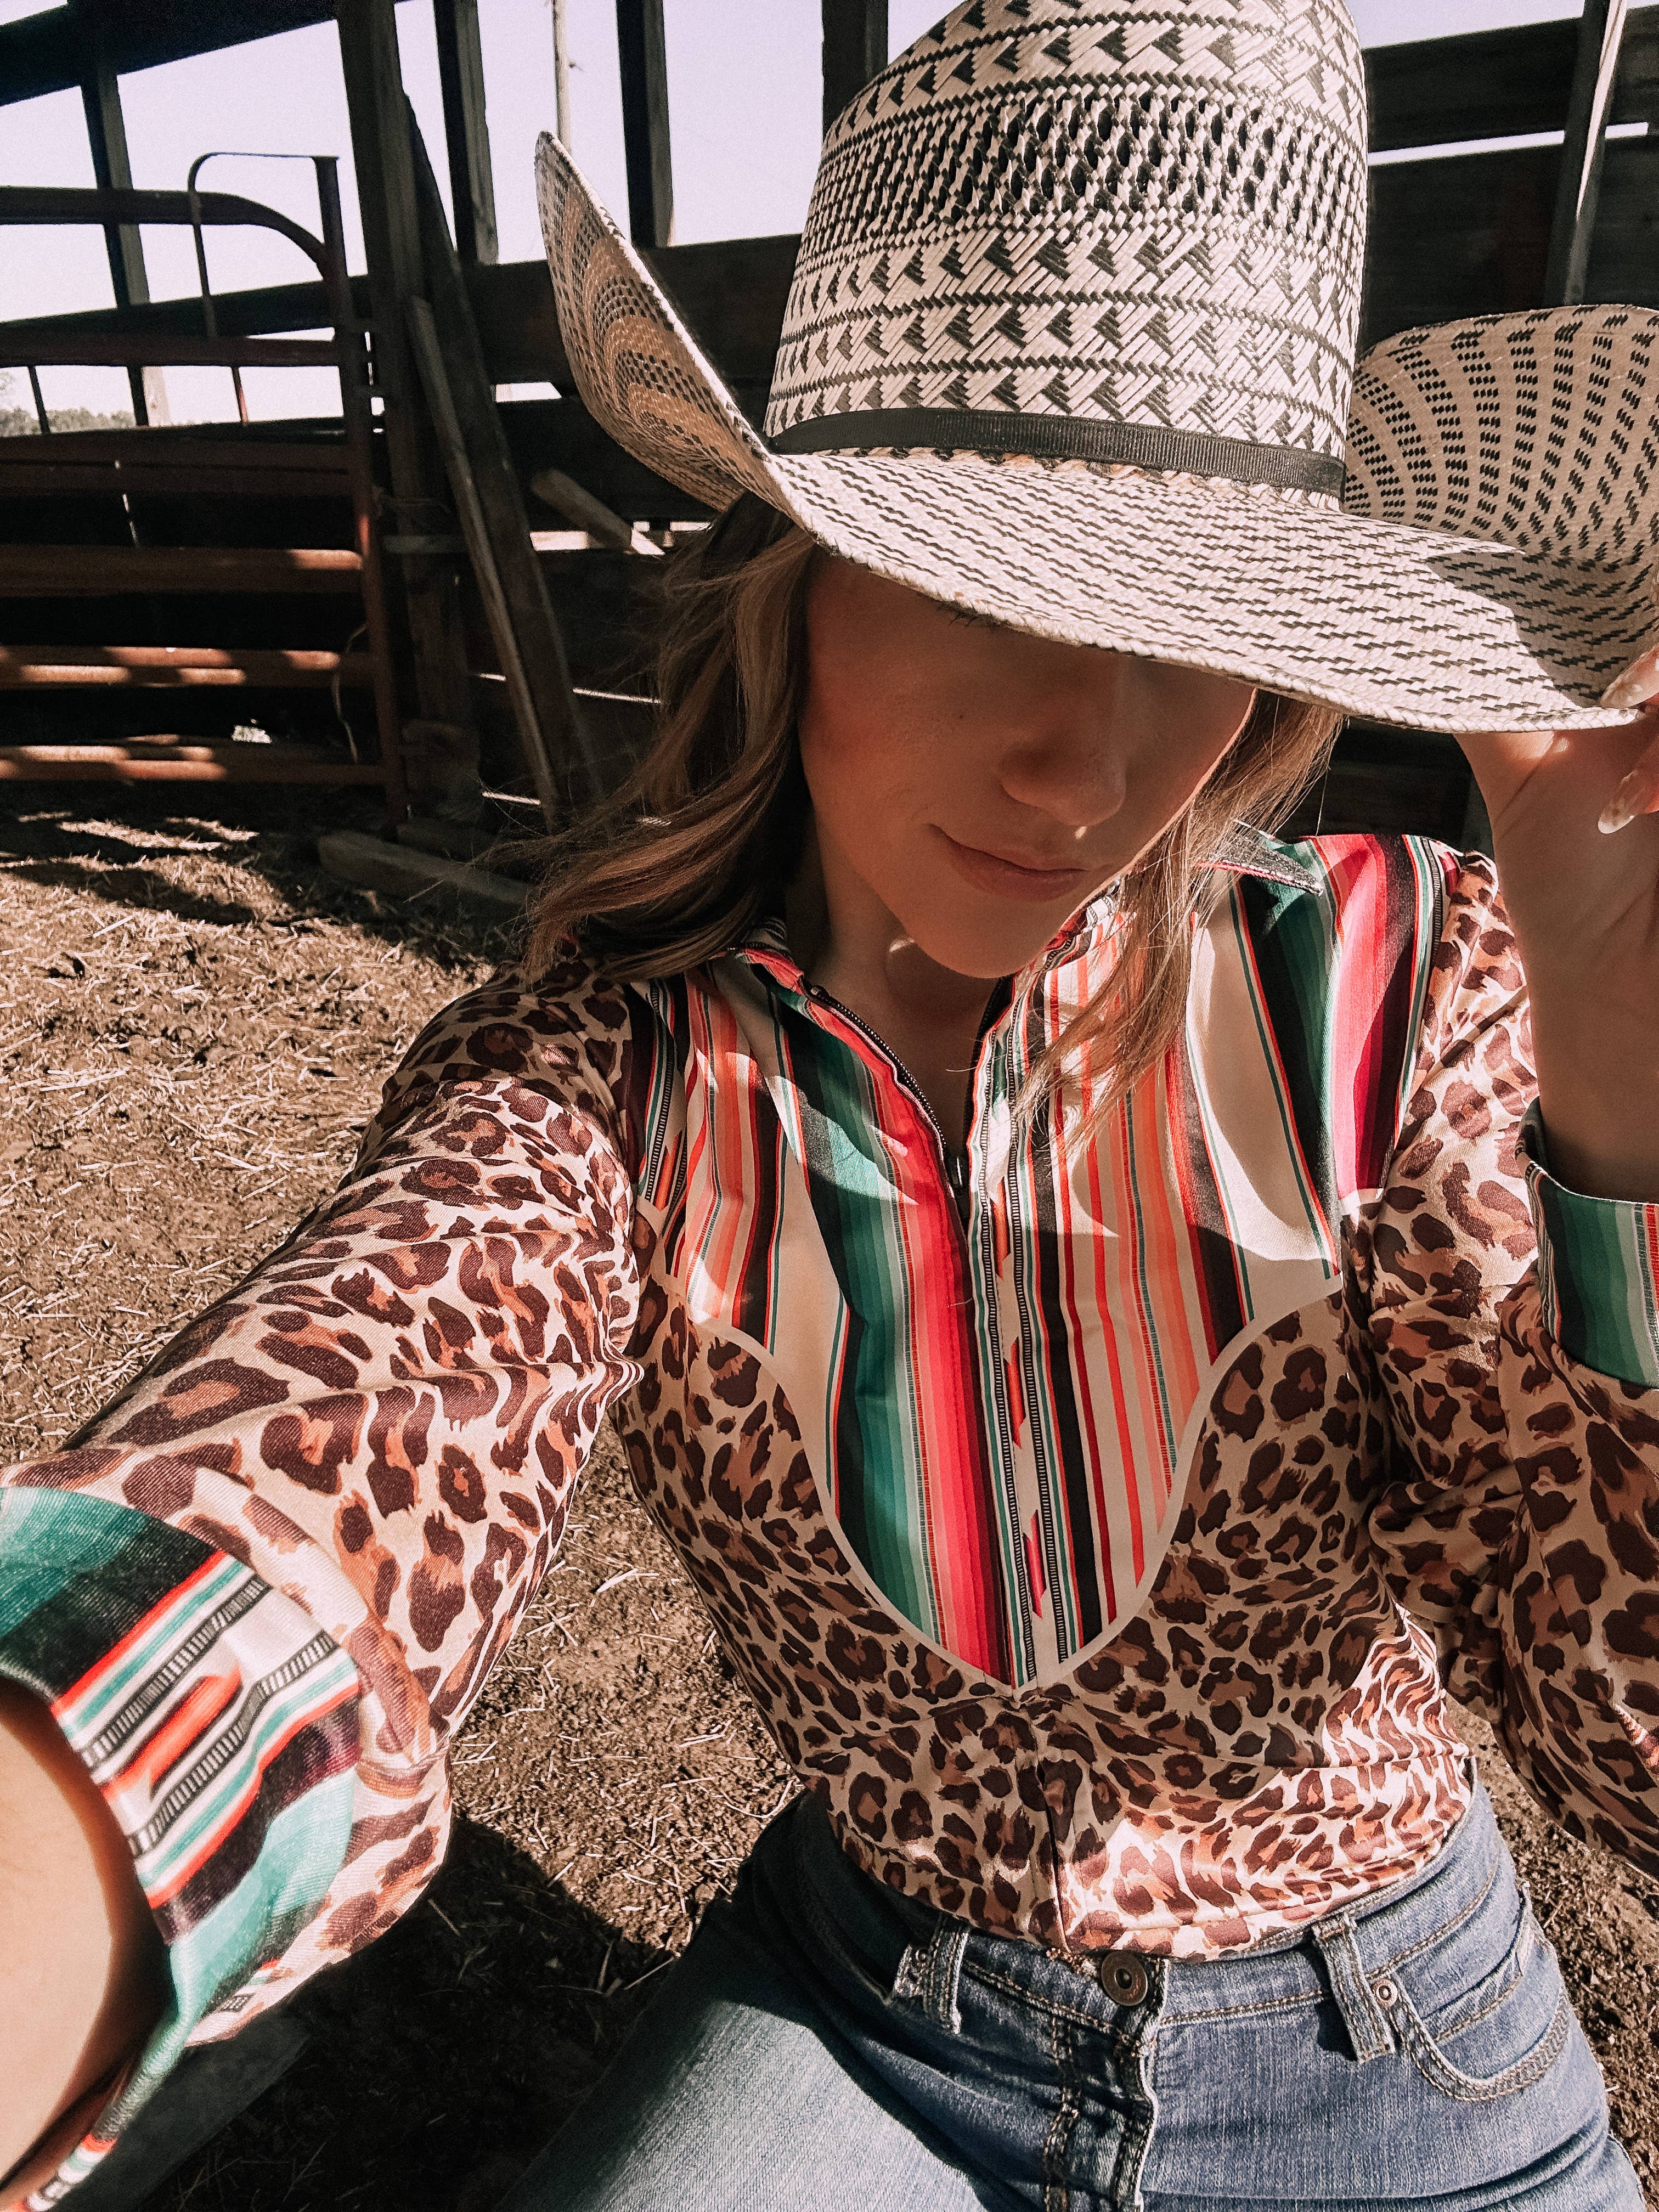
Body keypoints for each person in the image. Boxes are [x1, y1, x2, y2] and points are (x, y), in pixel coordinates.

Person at [5, 1, 1659, 2205]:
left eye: (1192, 627)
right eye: (987, 591)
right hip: (882, 2009)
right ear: (786, 591)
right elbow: (350, 1432)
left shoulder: (1401, 985)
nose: (1083, 768)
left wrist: (1633, 1126)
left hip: (1401, 2041)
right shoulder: (607, 1080)